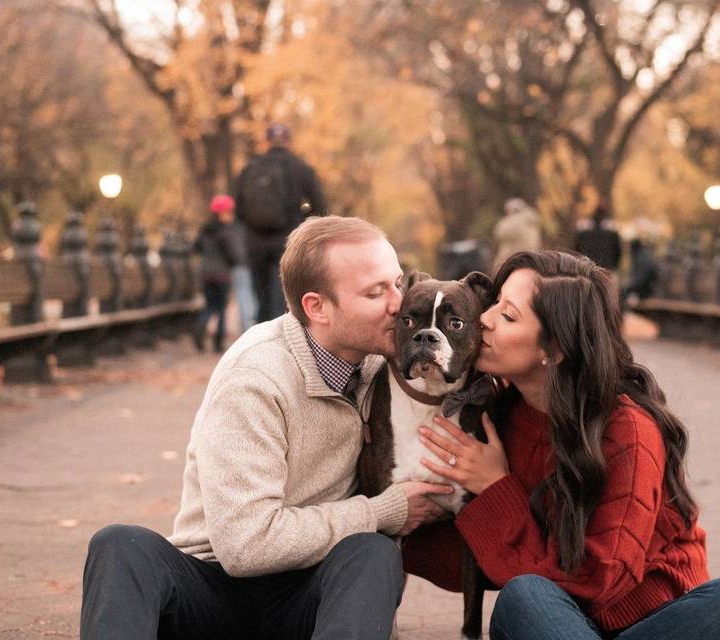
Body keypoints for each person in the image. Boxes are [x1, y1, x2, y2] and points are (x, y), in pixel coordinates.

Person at [81, 216, 453, 640]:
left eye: (397, 283)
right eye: (375, 292)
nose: (397, 303)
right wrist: (384, 511)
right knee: (119, 547)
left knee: (372, 554)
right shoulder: (256, 377)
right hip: (214, 588)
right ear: (318, 308)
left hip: (310, 597)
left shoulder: (385, 358)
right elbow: (245, 546)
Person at [403, 250, 720, 639]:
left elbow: (597, 581)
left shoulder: (627, 429)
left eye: (507, 316)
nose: (484, 320)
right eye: (493, 305)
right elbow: (477, 557)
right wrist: (389, 516)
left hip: (656, 622)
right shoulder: (497, 414)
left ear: (554, 349)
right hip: (559, 624)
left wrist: (495, 488)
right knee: (525, 596)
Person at [236, 122, 327, 323]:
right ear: (289, 141)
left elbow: (239, 210)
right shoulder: (301, 167)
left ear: (266, 141)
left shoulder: (250, 168)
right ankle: (279, 342)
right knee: (283, 296)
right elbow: (320, 208)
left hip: (255, 242)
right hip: (288, 241)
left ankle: (259, 341)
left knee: (261, 298)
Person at [192, 196, 240, 353]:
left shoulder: (205, 230)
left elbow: (196, 247)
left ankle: (200, 325)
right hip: (221, 275)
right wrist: (235, 261)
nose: (231, 215)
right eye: (229, 212)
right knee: (220, 310)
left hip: (206, 274)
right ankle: (218, 343)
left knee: (210, 306)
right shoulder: (226, 231)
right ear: (222, 213)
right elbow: (234, 254)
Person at [492, 197, 542, 273]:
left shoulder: (509, 222)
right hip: (532, 259)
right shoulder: (531, 220)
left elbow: (499, 233)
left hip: (511, 260)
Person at [574, 204, 622, 271]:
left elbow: (577, 249)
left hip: (588, 268)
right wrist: (614, 265)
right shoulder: (611, 233)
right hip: (607, 267)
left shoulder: (584, 232)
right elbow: (618, 252)